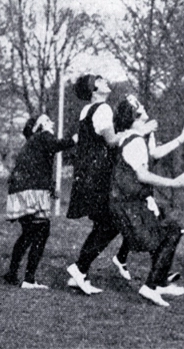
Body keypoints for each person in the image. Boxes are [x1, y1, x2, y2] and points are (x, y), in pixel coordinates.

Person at [65, 74, 157, 295]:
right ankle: (79, 269)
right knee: (110, 223)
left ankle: (80, 271)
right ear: (94, 89)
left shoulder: (86, 111)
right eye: (100, 81)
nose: (105, 82)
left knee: (105, 224)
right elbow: (112, 141)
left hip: (86, 175)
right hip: (98, 177)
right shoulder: (103, 109)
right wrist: (138, 132)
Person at [109, 95, 184, 307]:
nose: (146, 112)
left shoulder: (133, 137)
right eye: (140, 111)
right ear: (135, 118)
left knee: (169, 228)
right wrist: (174, 183)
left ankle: (158, 284)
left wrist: (180, 139)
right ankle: (151, 286)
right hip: (129, 205)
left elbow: (153, 153)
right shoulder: (136, 140)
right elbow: (142, 175)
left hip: (129, 203)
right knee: (171, 232)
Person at [3, 114, 76, 289]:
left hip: (19, 191)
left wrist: (51, 188)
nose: (51, 121)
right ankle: (29, 279)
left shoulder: (32, 143)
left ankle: (12, 273)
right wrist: (74, 140)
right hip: (32, 192)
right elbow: (56, 145)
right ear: (40, 126)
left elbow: (38, 167)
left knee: (28, 234)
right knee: (42, 232)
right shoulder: (44, 136)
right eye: (47, 120)